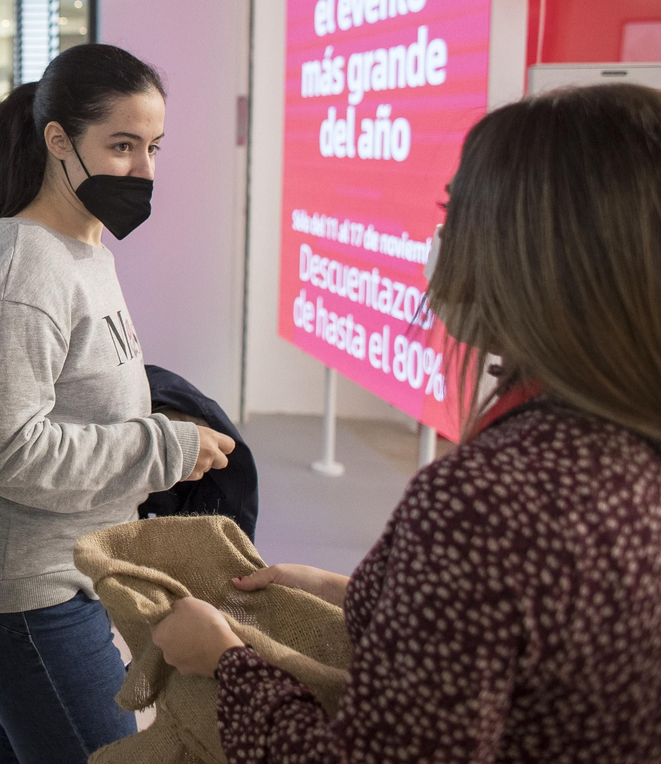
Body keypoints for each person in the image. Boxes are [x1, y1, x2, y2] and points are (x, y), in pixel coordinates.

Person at [153, 83, 661, 762]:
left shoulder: (486, 502)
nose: (440, 240)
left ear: (530, 251)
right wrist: (361, 596)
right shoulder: (618, 443)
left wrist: (226, 663)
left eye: (455, 212)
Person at [0, 45, 235, 764]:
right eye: (122, 146)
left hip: (70, 578)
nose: (144, 170)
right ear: (58, 140)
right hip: (30, 598)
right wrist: (165, 447)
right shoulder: (21, 266)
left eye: (153, 147)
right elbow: (5, 451)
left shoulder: (83, 251)